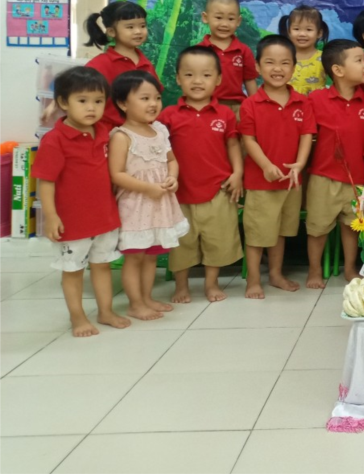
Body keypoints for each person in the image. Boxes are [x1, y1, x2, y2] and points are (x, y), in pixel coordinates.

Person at [33, 67, 129, 337]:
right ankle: (77, 317)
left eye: (98, 101)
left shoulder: (105, 132)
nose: (91, 108)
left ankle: (106, 311)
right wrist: (51, 216)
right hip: (72, 222)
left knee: (102, 266)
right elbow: (46, 181)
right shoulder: (55, 140)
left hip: (105, 217)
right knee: (73, 271)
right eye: (83, 100)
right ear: (63, 103)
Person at [158, 46, 244, 304]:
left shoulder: (225, 114)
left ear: (218, 79)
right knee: (182, 242)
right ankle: (181, 286)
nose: (197, 81)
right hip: (179, 192)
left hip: (218, 189)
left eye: (206, 75)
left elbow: (233, 145)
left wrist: (238, 173)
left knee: (217, 240)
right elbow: (160, 150)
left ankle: (211, 284)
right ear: (178, 78)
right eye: (189, 75)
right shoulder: (168, 115)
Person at [108, 71, 189, 321]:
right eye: (144, 98)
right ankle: (135, 304)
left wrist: (172, 177)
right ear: (123, 103)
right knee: (135, 257)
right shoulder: (121, 136)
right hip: (136, 206)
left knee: (151, 256)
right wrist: (147, 188)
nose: (153, 104)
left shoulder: (160, 130)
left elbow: (171, 161)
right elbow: (117, 174)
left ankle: (147, 298)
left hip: (159, 206)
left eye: (157, 98)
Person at [239, 35, 316, 298]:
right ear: (258, 67)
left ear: (294, 67)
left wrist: (300, 164)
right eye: (270, 62)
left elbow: (307, 134)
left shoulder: (302, 102)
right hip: (261, 183)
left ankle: (275, 274)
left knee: (280, 231)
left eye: (285, 63)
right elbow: (248, 139)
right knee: (257, 234)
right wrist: (265, 165)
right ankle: (253, 281)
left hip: (291, 182)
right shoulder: (250, 104)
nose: (277, 69)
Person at [306, 39, 364, 284]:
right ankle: (314, 270)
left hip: (359, 181)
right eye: (359, 60)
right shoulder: (315, 100)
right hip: (323, 178)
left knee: (353, 227)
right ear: (338, 70)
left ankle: (350, 268)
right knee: (317, 228)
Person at [85, 1, 163, 128]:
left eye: (142, 26)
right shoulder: (99, 65)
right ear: (111, 31)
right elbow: (80, 95)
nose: (138, 31)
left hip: (142, 131)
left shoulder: (146, 64)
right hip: (109, 132)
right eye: (130, 27)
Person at [198, 0, 258, 118]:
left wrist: (256, 107)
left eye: (231, 19)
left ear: (238, 21)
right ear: (205, 17)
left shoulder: (244, 51)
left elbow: (250, 81)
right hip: (206, 106)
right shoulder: (199, 51)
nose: (224, 24)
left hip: (237, 108)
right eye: (218, 18)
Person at [280, 5, 331, 95]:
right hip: (288, 102)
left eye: (309, 29)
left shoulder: (324, 58)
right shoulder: (281, 57)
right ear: (289, 32)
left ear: (319, 33)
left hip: (316, 103)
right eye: (296, 29)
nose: (302, 34)